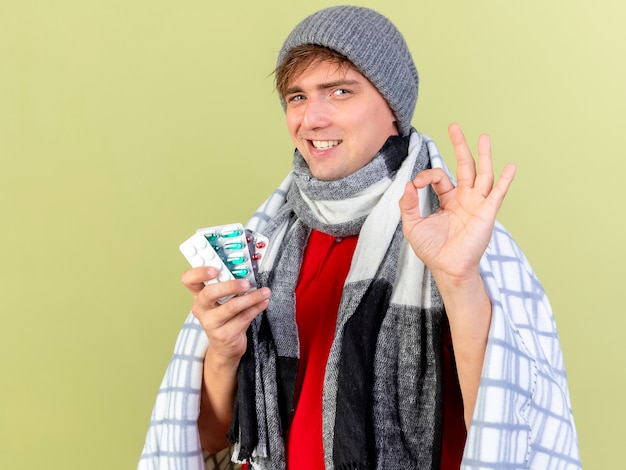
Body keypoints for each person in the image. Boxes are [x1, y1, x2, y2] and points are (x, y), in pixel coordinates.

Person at [139, 6, 581, 470]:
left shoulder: (458, 236)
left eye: (340, 92)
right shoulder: (267, 244)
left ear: (393, 108)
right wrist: (224, 354)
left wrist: (458, 279)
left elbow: (503, 429)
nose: (312, 118)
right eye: (297, 96)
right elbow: (212, 440)